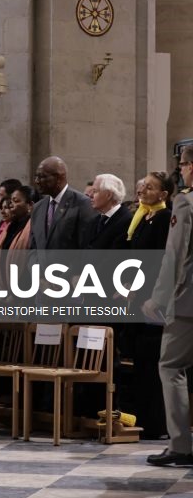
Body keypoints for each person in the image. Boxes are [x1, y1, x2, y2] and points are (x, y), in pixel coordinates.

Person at [143, 145, 193, 466]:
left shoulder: (186, 202)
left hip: (188, 304)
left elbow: (174, 256)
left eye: (183, 165)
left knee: (171, 367)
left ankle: (181, 446)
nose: (181, 170)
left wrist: (158, 299)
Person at [124, 172, 174, 440]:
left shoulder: (165, 218)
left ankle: (157, 425)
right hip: (138, 296)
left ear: (163, 194)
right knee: (141, 362)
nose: (142, 190)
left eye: (150, 187)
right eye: (142, 185)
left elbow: (160, 261)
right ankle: (143, 420)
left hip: (153, 300)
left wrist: (146, 292)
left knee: (153, 362)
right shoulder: (143, 217)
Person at [30, 156, 98, 250]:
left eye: (42, 177)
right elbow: (33, 247)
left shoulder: (82, 203)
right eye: (36, 176)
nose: (37, 181)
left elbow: (86, 246)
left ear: (59, 178)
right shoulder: (38, 207)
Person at [85, 174, 132, 249]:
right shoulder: (95, 220)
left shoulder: (126, 221)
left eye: (95, 191)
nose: (90, 195)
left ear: (109, 195)